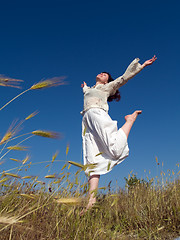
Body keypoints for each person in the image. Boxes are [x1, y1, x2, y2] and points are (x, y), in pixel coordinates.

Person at [81, 56, 157, 212]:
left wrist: (141, 66)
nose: (102, 74)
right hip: (87, 123)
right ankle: (91, 201)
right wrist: (84, 87)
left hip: (97, 114)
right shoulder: (89, 89)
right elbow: (86, 91)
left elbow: (123, 78)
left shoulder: (107, 87)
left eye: (105, 75)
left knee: (115, 149)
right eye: (101, 73)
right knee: (91, 160)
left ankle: (129, 121)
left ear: (107, 82)